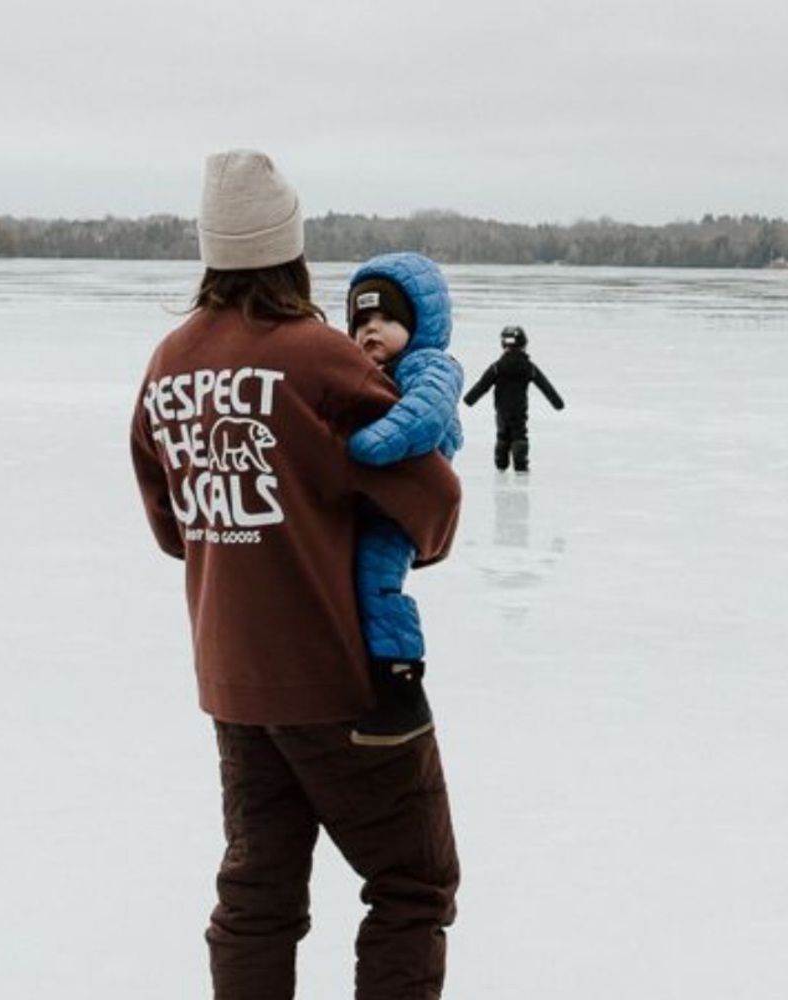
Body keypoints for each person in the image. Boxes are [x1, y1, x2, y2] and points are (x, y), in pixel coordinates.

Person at [130, 150, 462, 1000]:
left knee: (257, 897)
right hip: (344, 682)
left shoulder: (168, 365)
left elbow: (175, 529)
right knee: (412, 886)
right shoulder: (317, 358)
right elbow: (433, 504)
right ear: (291, 249)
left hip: (236, 686)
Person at [344, 252, 463, 745]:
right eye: (361, 320)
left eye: (387, 318)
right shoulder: (365, 370)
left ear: (420, 322)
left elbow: (425, 414)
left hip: (402, 506)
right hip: (376, 497)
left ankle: (400, 682)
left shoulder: (429, 364)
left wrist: (369, 445)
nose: (372, 330)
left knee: (377, 580)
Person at [462, 324, 564, 471]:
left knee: (502, 434)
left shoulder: (497, 367)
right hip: (519, 408)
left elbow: (481, 386)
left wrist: (468, 400)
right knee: (519, 434)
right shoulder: (528, 367)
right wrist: (557, 403)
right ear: (523, 343)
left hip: (502, 409)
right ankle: (520, 463)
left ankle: (501, 463)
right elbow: (545, 386)